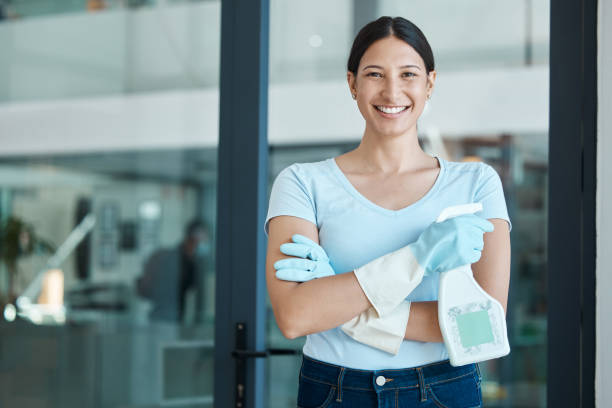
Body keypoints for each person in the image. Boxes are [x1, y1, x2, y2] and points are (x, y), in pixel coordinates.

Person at [264, 16, 512, 407]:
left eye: (409, 74)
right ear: (352, 84)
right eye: (375, 74)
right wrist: (419, 255)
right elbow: (295, 317)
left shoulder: (476, 182)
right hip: (334, 390)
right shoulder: (302, 183)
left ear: (430, 82)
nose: (392, 91)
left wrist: (341, 306)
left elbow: (481, 325)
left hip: (443, 390)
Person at [137, 219, 211, 323]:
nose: (206, 241)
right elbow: (151, 290)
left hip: (175, 318)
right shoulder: (172, 259)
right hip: (165, 319)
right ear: (195, 237)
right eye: (204, 238)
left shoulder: (192, 261)